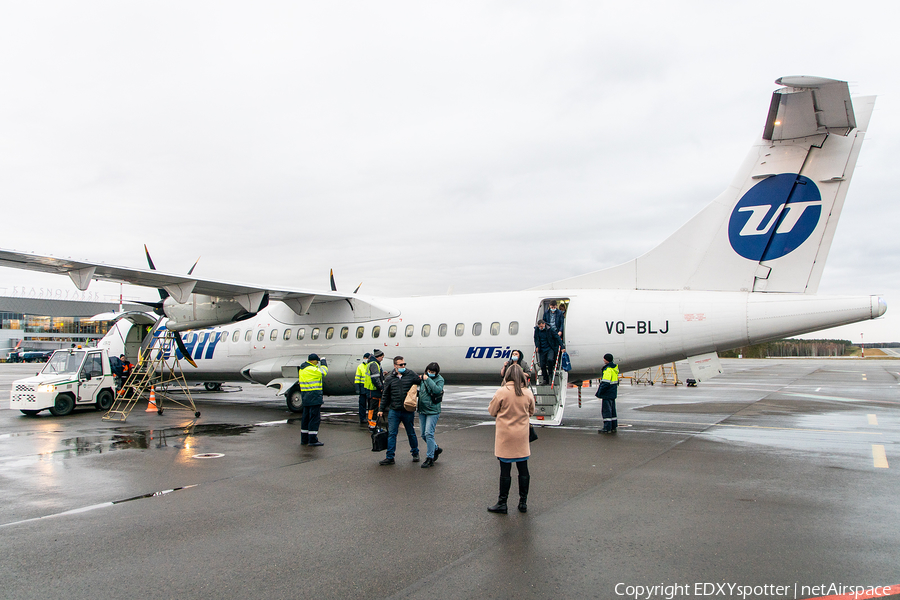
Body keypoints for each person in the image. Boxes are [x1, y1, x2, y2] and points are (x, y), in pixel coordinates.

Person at [487, 364, 535, 514]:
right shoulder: (527, 393)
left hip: (505, 436)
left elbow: (492, 411)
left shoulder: (502, 392)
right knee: (523, 469)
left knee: (505, 470)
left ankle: (502, 502)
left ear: (507, 375)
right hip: (521, 436)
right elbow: (531, 411)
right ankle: (523, 502)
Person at [378, 356, 420, 465]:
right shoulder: (389, 378)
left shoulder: (410, 374)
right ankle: (390, 456)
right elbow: (385, 395)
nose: (403, 366)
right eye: (401, 365)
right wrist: (381, 409)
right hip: (394, 410)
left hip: (407, 409)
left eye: (404, 364)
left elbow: (420, 382)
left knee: (411, 433)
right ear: (395, 366)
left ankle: (415, 453)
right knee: (392, 434)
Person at [417, 362, 445, 468]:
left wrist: (428, 379)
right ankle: (436, 448)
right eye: (429, 371)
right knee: (423, 434)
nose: (430, 373)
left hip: (433, 410)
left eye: (432, 372)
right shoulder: (422, 378)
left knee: (429, 433)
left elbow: (437, 390)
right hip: (422, 410)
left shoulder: (439, 379)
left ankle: (430, 457)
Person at [298, 353, 328, 446]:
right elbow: (324, 372)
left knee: (306, 418)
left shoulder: (302, 369)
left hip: (305, 395)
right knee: (314, 418)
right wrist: (324, 362)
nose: (317, 363)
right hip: (314, 395)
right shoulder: (311, 369)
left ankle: (304, 439)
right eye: (317, 361)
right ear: (313, 361)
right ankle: (313, 439)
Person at [533, 320, 563, 385]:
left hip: (549, 348)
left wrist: (562, 347)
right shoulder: (537, 330)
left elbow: (557, 337)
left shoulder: (550, 330)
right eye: (539, 326)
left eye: (542, 326)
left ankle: (551, 374)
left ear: (544, 324)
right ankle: (545, 379)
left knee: (550, 360)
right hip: (542, 349)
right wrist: (537, 346)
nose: (541, 328)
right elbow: (536, 339)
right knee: (542, 365)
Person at [596, 353, 620, 434]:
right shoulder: (614, 369)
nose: (603, 360)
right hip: (613, 392)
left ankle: (607, 428)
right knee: (613, 411)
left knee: (606, 411)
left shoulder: (608, 369)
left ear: (606, 359)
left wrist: (599, 392)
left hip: (607, 393)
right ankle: (613, 426)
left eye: (604, 359)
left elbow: (605, 383)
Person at [365, 349, 385, 429]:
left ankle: (373, 424)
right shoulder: (374, 364)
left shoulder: (373, 363)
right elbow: (375, 378)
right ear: (378, 357)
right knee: (373, 408)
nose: (382, 359)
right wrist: (380, 387)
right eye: (382, 357)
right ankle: (372, 425)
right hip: (373, 389)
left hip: (372, 389)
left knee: (374, 407)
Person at [354, 352, 371, 427]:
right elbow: (357, 378)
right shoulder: (360, 366)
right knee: (362, 404)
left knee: (371, 405)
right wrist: (357, 388)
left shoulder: (371, 365)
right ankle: (362, 418)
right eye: (365, 358)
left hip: (369, 388)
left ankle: (370, 418)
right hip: (363, 388)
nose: (366, 359)